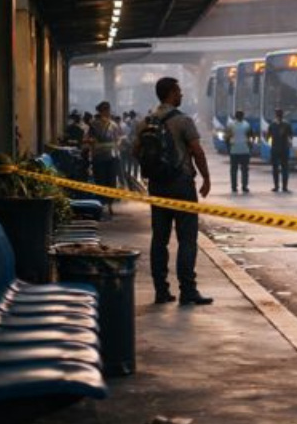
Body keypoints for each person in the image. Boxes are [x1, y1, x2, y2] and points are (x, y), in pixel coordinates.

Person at [135, 77, 213, 306]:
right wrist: (206, 178)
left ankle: (161, 291)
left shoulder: (146, 121)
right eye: (179, 91)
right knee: (187, 239)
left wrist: (154, 167)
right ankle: (188, 290)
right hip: (181, 185)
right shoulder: (183, 121)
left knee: (159, 239)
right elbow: (197, 152)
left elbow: (135, 151)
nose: (182, 95)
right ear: (170, 93)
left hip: (157, 186)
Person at [88, 101, 123, 190]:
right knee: (103, 182)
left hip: (110, 157)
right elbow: (89, 139)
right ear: (101, 112)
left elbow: (118, 139)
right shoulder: (94, 124)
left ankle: (108, 201)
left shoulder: (113, 125)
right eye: (105, 110)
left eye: (108, 110)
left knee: (109, 182)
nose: (107, 112)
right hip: (100, 158)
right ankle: (105, 201)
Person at [224, 109, 255, 194]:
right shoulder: (244, 125)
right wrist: (250, 146)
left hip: (239, 151)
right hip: (240, 151)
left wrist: (228, 148)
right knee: (241, 170)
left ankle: (238, 186)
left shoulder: (233, 125)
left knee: (238, 170)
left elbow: (226, 138)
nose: (240, 116)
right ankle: (240, 186)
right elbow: (252, 137)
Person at [267, 107, 295, 193]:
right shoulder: (286, 124)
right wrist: (289, 143)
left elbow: (268, 137)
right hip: (283, 149)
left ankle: (278, 186)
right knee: (283, 169)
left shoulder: (273, 124)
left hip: (277, 149)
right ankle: (283, 187)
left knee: (279, 169)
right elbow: (290, 136)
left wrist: (271, 144)